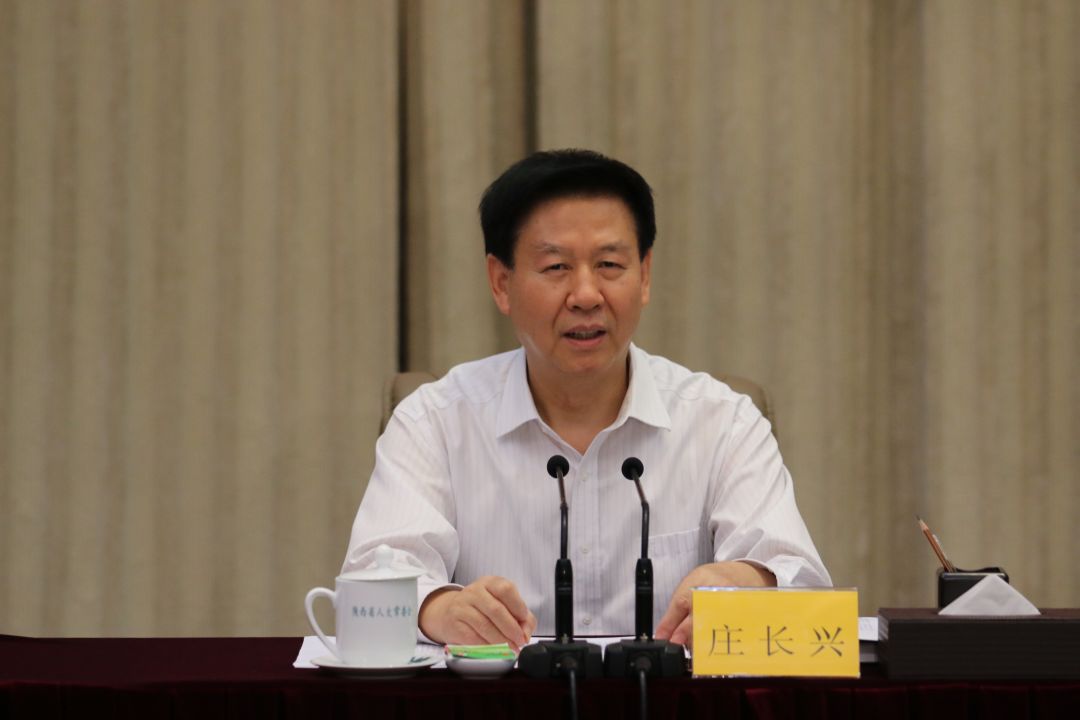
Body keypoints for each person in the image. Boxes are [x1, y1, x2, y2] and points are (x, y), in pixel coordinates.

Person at [343, 149, 830, 651]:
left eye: (609, 265)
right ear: (501, 283)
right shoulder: (435, 421)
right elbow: (376, 574)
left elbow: (802, 584)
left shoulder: (722, 421)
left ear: (644, 274)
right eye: (556, 267)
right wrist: (439, 609)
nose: (586, 295)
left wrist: (748, 581)